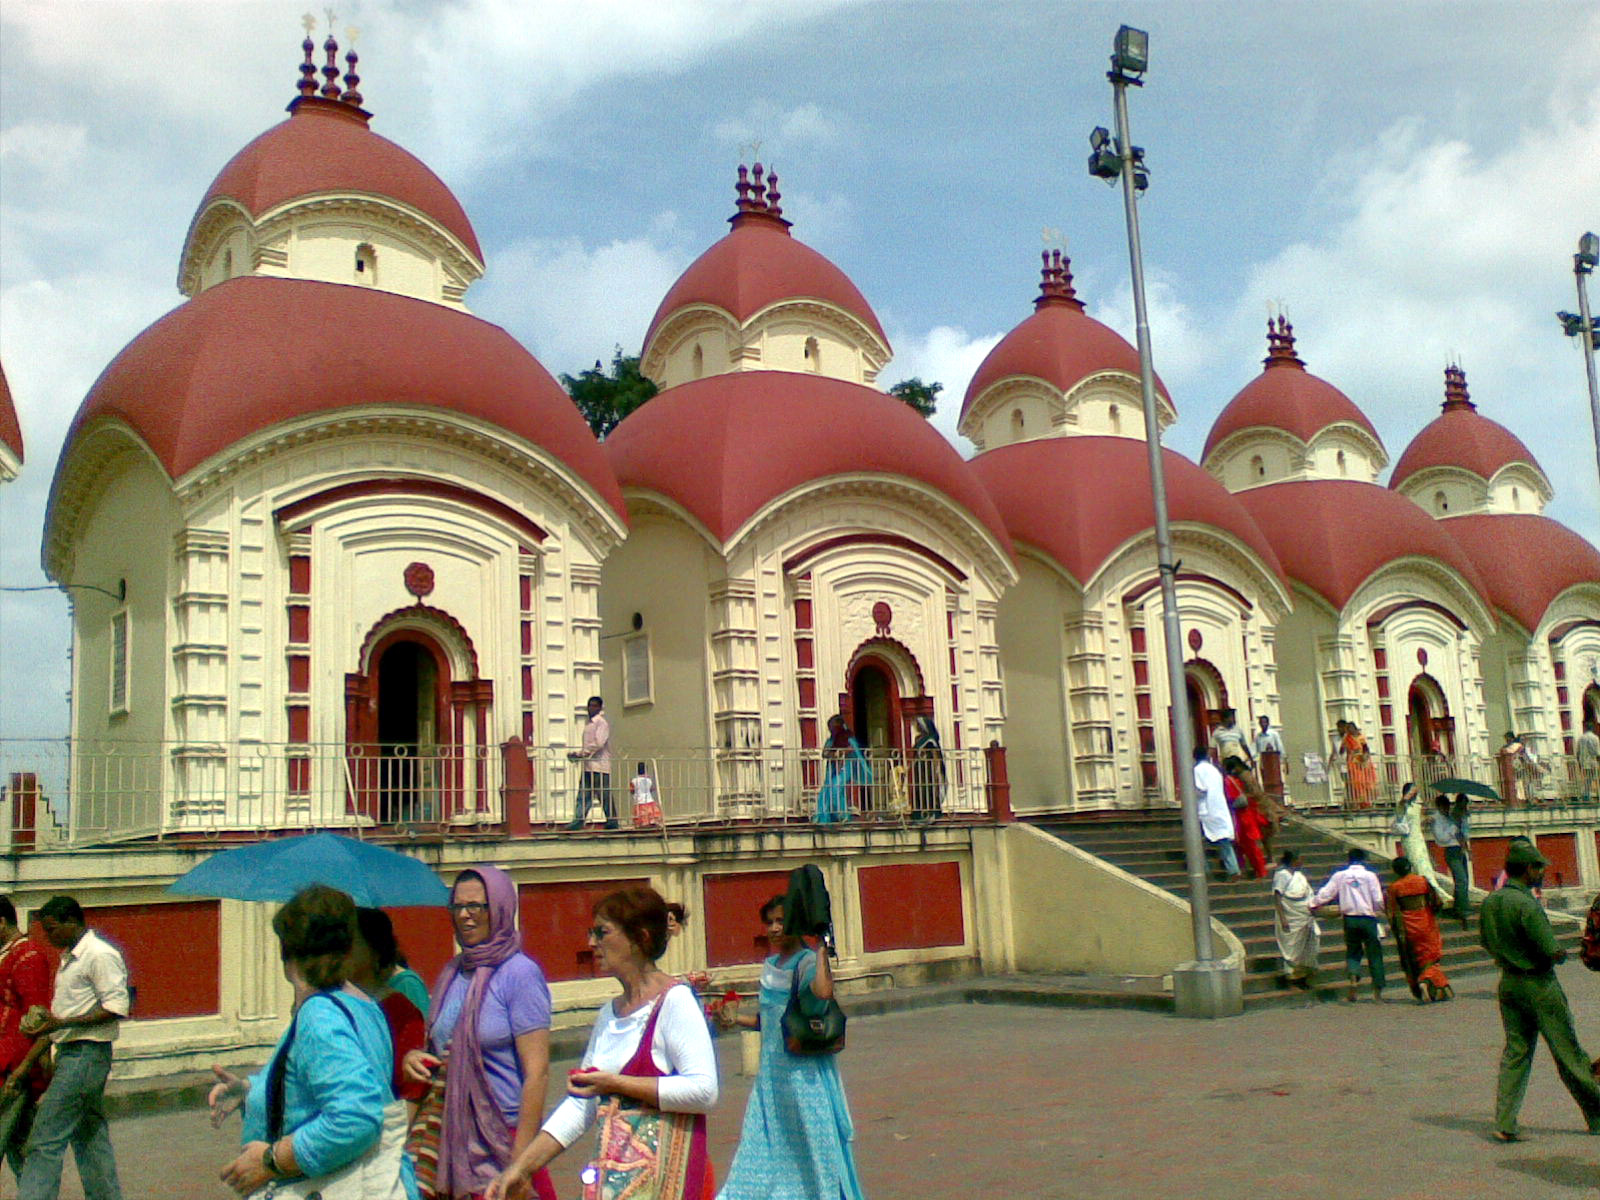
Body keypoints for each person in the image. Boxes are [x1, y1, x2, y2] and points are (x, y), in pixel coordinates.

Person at [485, 887, 718, 1200]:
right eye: (591, 932)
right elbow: (581, 1104)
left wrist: (615, 1083)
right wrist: (521, 1167)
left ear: (641, 938)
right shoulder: (610, 1013)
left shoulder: (674, 1002)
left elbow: (703, 1091)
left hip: (666, 1183)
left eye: (602, 932)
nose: (592, 943)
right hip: (619, 1182)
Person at [207, 885, 410, 1199]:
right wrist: (252, 1092)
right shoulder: (362, 1005)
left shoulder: (319, 1016)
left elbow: (355, 1117)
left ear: (286, 951)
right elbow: (312, 1088)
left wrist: (272, 1160)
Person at [402, 866, 556, 1200]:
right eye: (457, 907)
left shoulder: (520, 974)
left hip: (504, 1133)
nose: (465, 916)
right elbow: (442, 1048)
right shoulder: (453, 972)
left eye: (477, 906)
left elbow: (537, 1073)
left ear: (499, 908)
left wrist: (521, 1161)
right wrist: (415, 1058)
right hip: (453, 1134)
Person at [716, 895, 865, 1200]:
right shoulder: (771, 964)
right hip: (771, 1077)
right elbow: (771, 1021)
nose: (773, 928)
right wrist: (736, 1020)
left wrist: (822, 946)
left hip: (803, 1075)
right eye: (769, 922)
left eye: (781, 921)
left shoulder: (807, 961)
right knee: (763, 1144)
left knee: (813, 1146)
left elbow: (822, 993)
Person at [1478, 841, 1600, 1141]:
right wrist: (1560, 953)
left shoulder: (1492, 902)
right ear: (1529, 869)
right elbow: (1548, 949)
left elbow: (1486, 941)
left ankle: (1505, 1121)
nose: (1542, 873)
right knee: (1567, 1053)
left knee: (1516, 1053)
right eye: (1539, 868)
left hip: (1509, 982)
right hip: (1539, 984)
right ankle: (1597, 1113)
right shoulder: (1526, 904)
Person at [18, 896, 129, 1200]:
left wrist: (60, 1024)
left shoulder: (99, 955)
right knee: (89, 1135)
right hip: (72, 1052)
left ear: (71, 922)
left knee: (45, 1136)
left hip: (86, 1052)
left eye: (52, 930)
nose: (49, 938)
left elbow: (117, 1006)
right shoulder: (71, 958)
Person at [351, 908, 429, 1116]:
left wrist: (397, 1141)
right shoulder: (332, 1003)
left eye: (353, 941)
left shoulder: (400, 1010)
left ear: (374, 949)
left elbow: (413, 1089)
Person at [0, 897, 51, 1184]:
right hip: (8, 1062)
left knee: (20, 1146)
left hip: (13, 1066)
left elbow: (38, 1018)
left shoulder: (28, 957)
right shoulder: (10, 954)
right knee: (19, 1146)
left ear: (2, 923)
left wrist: (34, 1069)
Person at [1312, 848, 1387, 1003]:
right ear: (1364, 860)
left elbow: (1326, 893)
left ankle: (1353, 980)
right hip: (1368, 918)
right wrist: (1382, 910)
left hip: (1349, 919)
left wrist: (1312, 903)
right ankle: (1377, 992)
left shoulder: (1340, 876)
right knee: (1374, 954)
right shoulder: (1370, 876)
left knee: (1353, 952)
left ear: (1349, 860)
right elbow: (1378, 899)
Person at [1385, 856, 1452, 1003]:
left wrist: (1397, 930)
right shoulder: (1422, 881)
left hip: (1408, 926)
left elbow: (1391, 912)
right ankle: (1424, 981)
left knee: (1417, 958)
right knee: (1432, 955)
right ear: (1410, 867)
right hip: (1426, 922)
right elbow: (1436, 901)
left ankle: (1430, 986)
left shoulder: (1394, 888)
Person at [1272, 851, 1320, 991]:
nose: (1302, 862)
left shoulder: (1299, 875)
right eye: (1300, 859)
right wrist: (1283, 919)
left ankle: (1303, 975)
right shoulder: (1281, 875)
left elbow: (1309, 894)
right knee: (1292, 948)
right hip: (1290, 916)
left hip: (1304, 915)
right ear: (1293, 861)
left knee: (1311, 941)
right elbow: (1277, 896)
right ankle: (1292, 978)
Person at [567, 695, 615, 829]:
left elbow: (598, 743)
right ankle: (578, 821)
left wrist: (582, 753)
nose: (590, 708)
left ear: (599, 708)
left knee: (604, 795)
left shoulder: (601, 723)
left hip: (600, 765)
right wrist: (578, 755)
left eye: (594, 706)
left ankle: (612, 821)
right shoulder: (589, 724)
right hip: (588, 766)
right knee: (584, 794)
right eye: (589, 705)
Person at [1193, 747, 1240, 879]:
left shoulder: (1197, 770)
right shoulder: (1215, 770)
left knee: (1197, 841)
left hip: (1205, 809)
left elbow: (1200, 789)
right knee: (1224, 841)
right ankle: (1233, 869)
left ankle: (1203, 869)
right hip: (1219, 807)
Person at [815, 716, 869, 825]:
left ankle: (842, 815)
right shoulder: (831, 741)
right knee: (827, 791)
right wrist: (836, 754)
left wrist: (840, 753)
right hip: (833, 769)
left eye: (833, 727)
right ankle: (830, 816)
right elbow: (825, 753)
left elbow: (852, 751)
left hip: (845, 767)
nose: (831, 730)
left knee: (836, 788)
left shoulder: (848, 738)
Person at [1390, 782, 1441, 891]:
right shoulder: (1402, 805)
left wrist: (1426, 820)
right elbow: (1404, 802)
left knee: (1424, 862)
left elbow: (1416, 821)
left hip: (1418, 837)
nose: (1415, 793)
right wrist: (1412, 790)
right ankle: (1429, 887)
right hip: (1409, 838)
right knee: (1416, 861)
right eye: (1412, 791)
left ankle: (1433, 887)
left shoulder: (1417, 807)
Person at [1432, 793, 1473, 924]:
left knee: (1465, 879)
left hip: (1459, 850)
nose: (1447, 809)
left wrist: (1466, 848)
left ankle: (1462, 905)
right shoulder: (1436, 819)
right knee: (1461, 879)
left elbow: (1461, 835)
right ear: (1439, 806)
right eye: (1444, 806)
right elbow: (1441, 838)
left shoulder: (1450, 817)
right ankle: (1461, 909)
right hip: (1451, 850)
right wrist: (1453, 828)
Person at [1225, 761, 1267, 879]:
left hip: (1241, 817)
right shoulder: (1239, 780)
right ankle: (1258, 869)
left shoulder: (1228, 782)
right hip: (1247, 815)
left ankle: (1254, 869)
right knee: (1250, 846)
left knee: (1247, 846)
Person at [908, 716, 946, 823]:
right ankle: (919, 814)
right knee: (918, 790)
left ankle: (931, 813)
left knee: (928, 790)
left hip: (928, 769)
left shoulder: (930, 740)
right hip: (918, 768)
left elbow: (935, 755)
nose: (917, 727)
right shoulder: (918, 739)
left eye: (919, 725)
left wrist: (937, 768)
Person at [1339, 721, 1377, 809]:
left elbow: (1366, 749)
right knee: (1356, 783)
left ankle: (1367, 802)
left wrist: (1365, 757)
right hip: (1353, 762)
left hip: (1363, 762)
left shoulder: (1360, 736)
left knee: (1366, 782)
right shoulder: (1347, 738)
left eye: (1350, 729)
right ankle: (1358, 802)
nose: (1349, 731)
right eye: (1348, 729)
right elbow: (1341, 750)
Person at [1211, 708, 1254, 774]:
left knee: (1247, 777)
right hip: (1226, 761)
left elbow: (1244, 746)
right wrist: (1215, 763)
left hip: (1237, 760)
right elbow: (1212, 749)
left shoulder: (1238, 730)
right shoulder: (1217, 732)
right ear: (1225, 719)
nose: (1233, 720)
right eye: (1231, 718)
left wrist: (1251, 758)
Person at [1254, 714, 1286, 802]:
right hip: (1264, 762)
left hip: (1274, 763)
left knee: (1277, 782)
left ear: (1268, 723)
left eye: (1264, 722)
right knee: (1265, 781)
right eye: (1261, 723)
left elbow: (1280, 747)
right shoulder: (1258, 736)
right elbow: (1256, 750)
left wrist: (1283, 760)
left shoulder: (1273, 734)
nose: (1263, 724)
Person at [1574, 719, 1599, 802]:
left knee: (1585, 779)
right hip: (1592, 761)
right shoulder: (1595, 738)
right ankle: (1590, 794)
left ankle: (1586, 794)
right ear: (1592, 729)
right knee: (1592, 778)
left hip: (1583, 761)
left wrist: (1578, 760)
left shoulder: (1581, 738)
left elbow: (1577, 751)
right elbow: (1597, 752)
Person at [631, 762, 662, 827]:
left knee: (641, 817)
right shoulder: (648, 780)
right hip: (649, 800)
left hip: (639, 801)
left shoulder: (634, 780)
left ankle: (642, 826)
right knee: (651, 816)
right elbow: (651, 789)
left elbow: (632, 790)